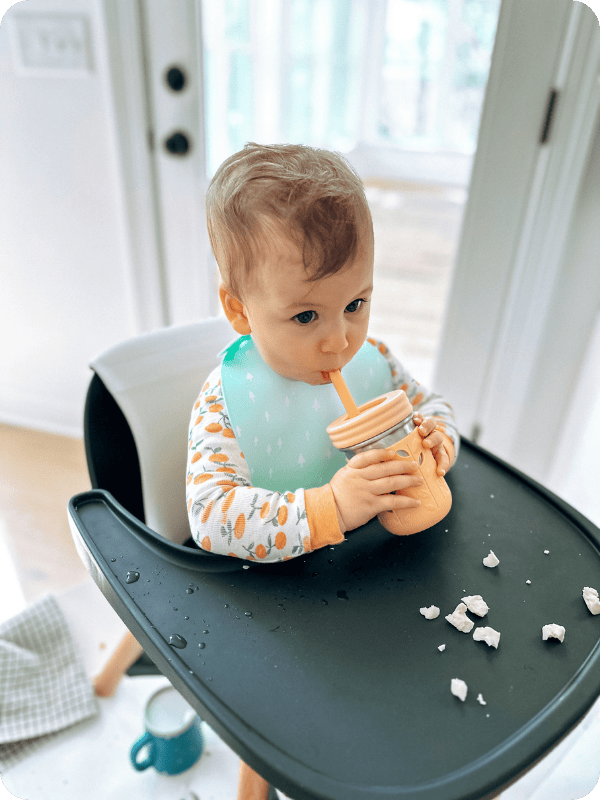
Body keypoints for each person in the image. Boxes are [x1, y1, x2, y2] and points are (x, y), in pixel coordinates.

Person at [186, 142, 459, 563]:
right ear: (240, 311)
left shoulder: (374, 360)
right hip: (281, 592)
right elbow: (211, 517)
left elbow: (431, 406)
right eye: (306, 316)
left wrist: (439, 440)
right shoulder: (225, 403)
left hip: (379, 562)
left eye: (354, 305)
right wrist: (333, 506)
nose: (340, 341)